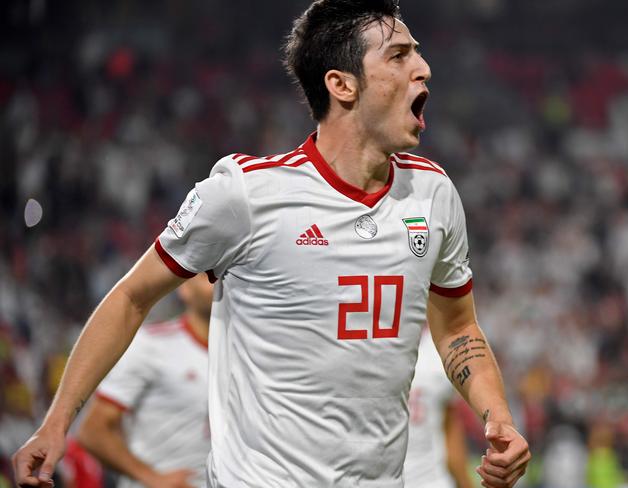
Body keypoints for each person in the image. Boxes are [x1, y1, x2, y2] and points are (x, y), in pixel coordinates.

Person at [13, 1, 530, 487]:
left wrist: (498, 416)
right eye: (398, 55)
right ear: (341, 85)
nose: (423, 67)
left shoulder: (433, 194)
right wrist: (57, 423)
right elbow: (131, 297)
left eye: (416, 51)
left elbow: (458, 327)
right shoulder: (247, 194)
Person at [76, 274, 213, 488]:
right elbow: (92, 431)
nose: (218, 282)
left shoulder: (249, 357)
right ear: (184, 289)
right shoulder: (150, 346)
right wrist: (153, 478)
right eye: (208, 276)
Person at [404, 328, 473, 488]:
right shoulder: (438, 351)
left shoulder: (366, 350)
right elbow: (452, 442)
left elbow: (450, 429)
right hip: (430, 481)